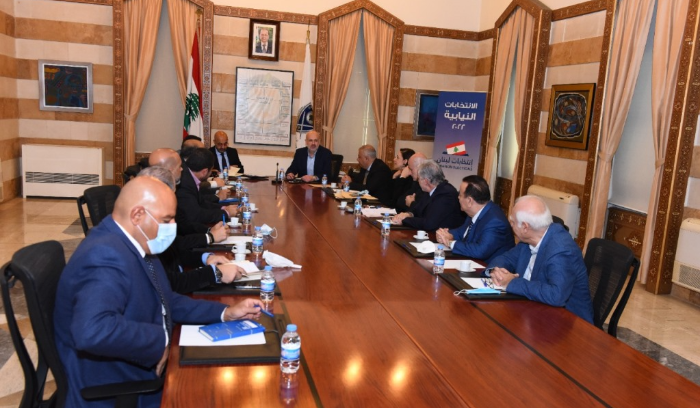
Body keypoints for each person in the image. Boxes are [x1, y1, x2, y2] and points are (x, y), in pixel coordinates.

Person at [54, 176, 263, 407]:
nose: (173, 226)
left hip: (135, 363)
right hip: (118, 382)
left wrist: (225, 312)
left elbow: (166, 299)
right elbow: (92, 330)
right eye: (166, 219)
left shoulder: (136, 242)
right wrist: (159, 342)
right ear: (137, 215)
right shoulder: (105, 255)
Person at [139, 166, 246, 294]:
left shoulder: (152, 225)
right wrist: (215, 273)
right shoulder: (138, 242)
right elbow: (170, 283)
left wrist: (205, 258)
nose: (173, 223)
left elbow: (174, 252)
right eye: (167, 219)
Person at [488, 195, 594, 323]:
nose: (510, 225)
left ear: (525, 227)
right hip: (531, 309)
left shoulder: (562, 251)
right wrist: (496, 271)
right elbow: (506, 258)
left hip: (568, 324)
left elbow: (556, 295)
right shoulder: (528, 240)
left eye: (513, 222)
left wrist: (511, 282)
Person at [436, 175, 514, 264]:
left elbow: (480, 251)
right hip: (471, 263)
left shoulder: (495, 222)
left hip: (488, 269)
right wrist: (446, 234)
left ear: (469, 201)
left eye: (460, 195)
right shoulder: (474, 212)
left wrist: (451, 242)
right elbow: (461, 233)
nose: (458, 198)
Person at [392, 160, 464, 231]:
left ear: (426, 181)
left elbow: (429, 224)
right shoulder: (429, 191)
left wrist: (404, 220)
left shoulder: (446, 194)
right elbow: (418, 209)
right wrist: (408, 214)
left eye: (419, 179)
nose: (418, 181)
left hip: (444, 236)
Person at [176, 148, 238, 229]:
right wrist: (226, 213)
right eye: (211, 170)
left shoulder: (189, 175)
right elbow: (197, 215)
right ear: (204, 172)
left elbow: (201, 202)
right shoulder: (185, 184)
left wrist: (223, 208)